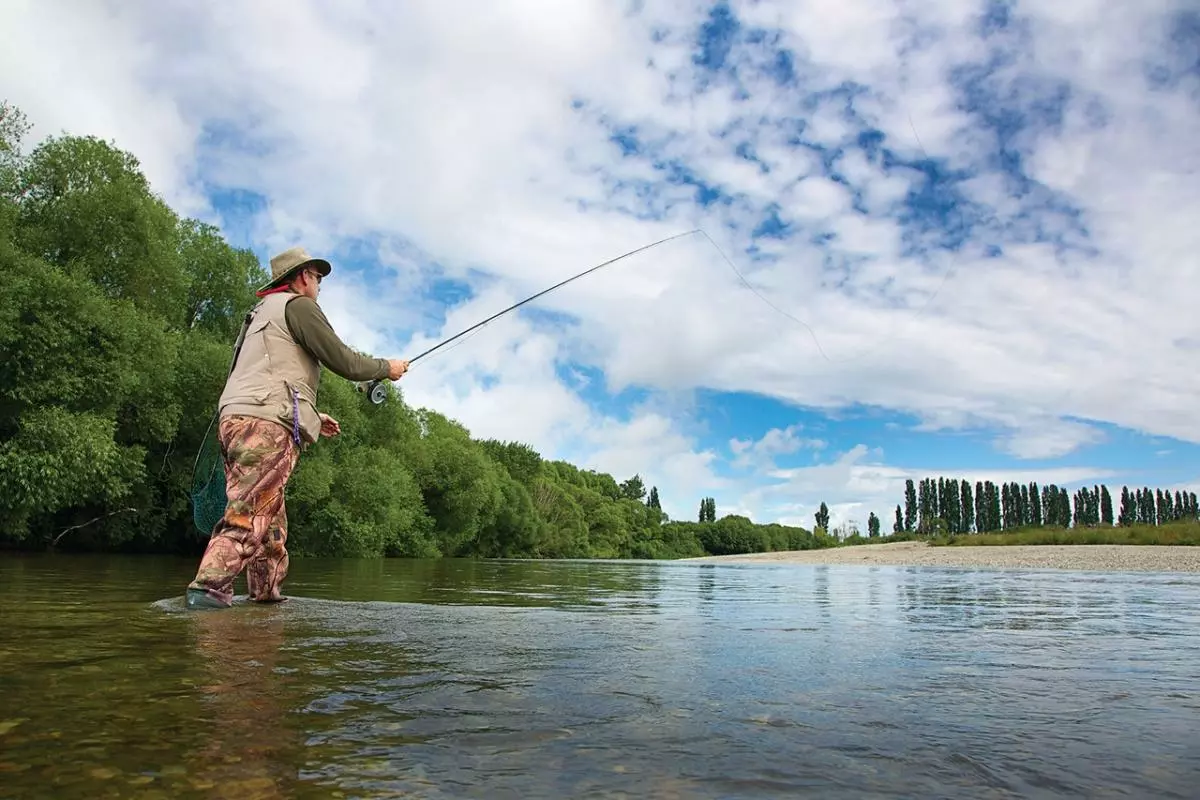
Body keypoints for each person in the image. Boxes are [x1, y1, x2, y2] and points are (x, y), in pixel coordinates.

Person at [185, 246, 409, 610]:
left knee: (271, 523)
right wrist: (387, 368)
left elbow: (266, 377)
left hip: (237, 421)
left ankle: (265, 599)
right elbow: (344, 360)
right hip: (264, 425)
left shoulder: (259, 314)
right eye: (318, 278)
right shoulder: (299, 305)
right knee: (250, 514)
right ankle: (206, 591)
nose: (319, 286)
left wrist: (313, 417)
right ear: (304, 276)